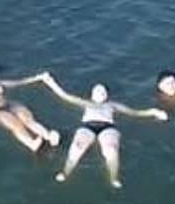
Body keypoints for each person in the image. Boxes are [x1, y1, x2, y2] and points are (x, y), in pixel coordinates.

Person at [38, 75, 167, 188]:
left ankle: (113, 178)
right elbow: (65, 96)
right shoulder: (86, 103)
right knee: (78, 146)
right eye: (97, 91)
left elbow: (136, 112)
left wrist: (154, 112)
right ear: (92, 95)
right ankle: (66, 172)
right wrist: (50, 82)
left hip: (108, 127)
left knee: (111, 149)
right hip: (87, 126)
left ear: (106, 95)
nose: (100, 93)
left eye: (103, 91)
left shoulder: (113, 105)